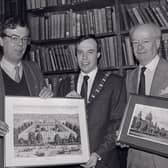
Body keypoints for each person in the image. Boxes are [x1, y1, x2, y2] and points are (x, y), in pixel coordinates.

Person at [57, 35, 126, 168]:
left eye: (90, 52)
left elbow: (117, 124)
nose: (84, 57)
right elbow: (59, 124)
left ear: (98, 54)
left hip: (103, 161)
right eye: (80, 52)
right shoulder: (64, 85)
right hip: (71, 163)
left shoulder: (115, 83)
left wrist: (98, 154)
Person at [0, 16, 53, 167]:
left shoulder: (34, 69)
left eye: (24, 39)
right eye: (14, 38)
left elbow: (44, 114)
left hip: (32, 157)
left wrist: (49, 100)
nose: (20, 44)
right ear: (1, 40)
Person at [126, 23, 168, 168]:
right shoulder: (129, 77)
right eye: (135, 43)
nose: (139, 47)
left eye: (145, 41)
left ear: (157, 43)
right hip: (134, 160)